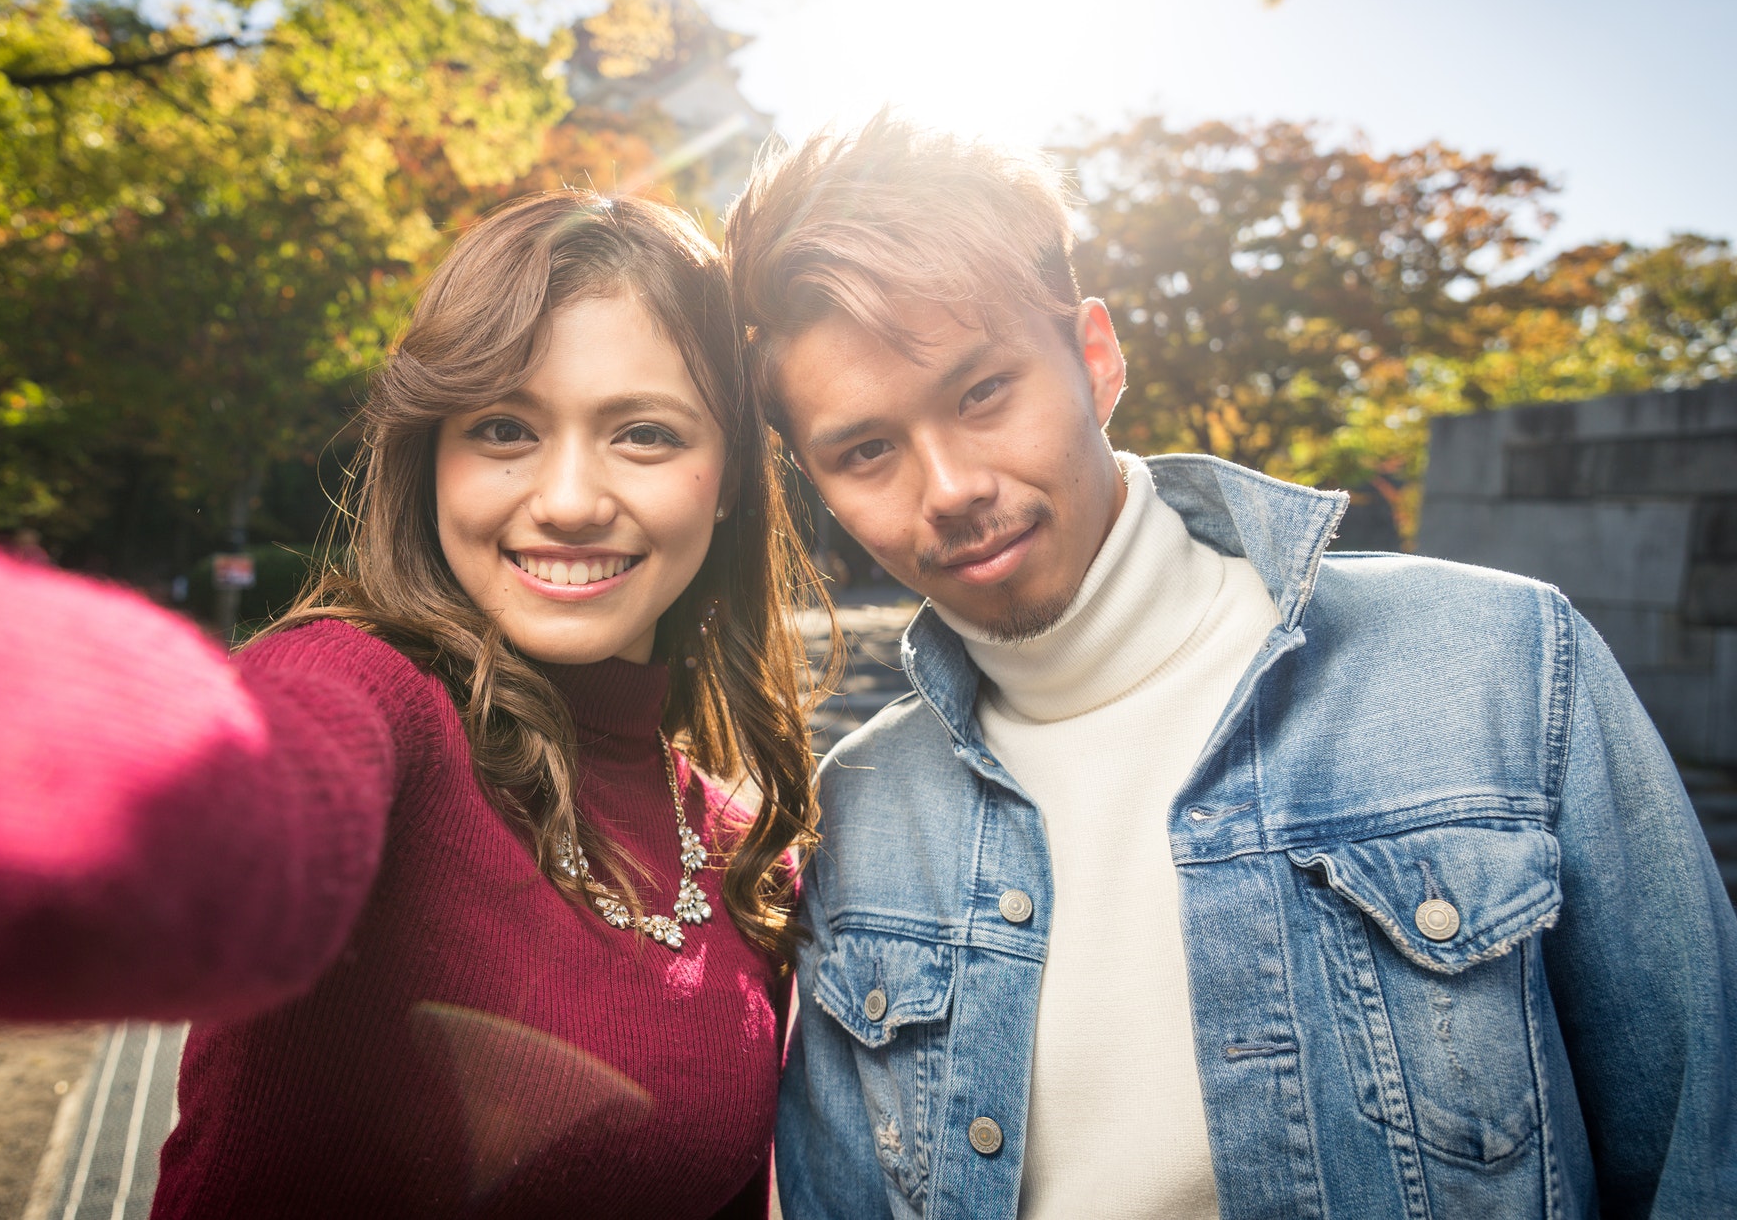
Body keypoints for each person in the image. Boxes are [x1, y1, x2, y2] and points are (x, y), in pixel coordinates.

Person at [0, 189, 827, 1219]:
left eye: (643, 433)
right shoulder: (363, 694)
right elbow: (212, 788)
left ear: (727, 475)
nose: (569, 499)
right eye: (502, 428)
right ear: (430, 456)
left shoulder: (747, 854)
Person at [723, 114, 1737, 1219]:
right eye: (865, 450)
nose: (950, 484)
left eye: (982, 393)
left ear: (1095, 359)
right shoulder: (859, 812)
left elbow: (1700, 1153)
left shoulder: (1501, 666)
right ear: (815, 484)